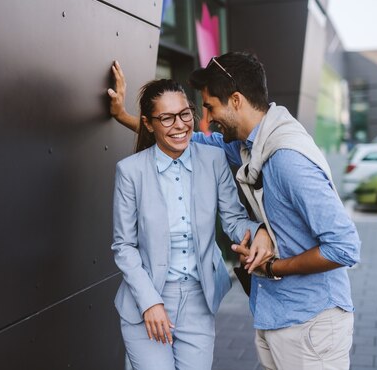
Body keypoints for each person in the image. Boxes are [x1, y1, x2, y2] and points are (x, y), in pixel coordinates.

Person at [108, 53, 361, 370]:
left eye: (210, 107)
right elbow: (178, 137)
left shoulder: (287, 159)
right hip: (278, 314)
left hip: (311, 320)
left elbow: (345, 246)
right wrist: (123, 115)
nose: (208, 117)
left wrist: (274, 266)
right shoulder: (246, 145)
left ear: (237, 100)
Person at [111, 78, 274, 370]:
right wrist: (150, 302)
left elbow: (234, 219)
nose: (180, 125)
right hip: (145, 300)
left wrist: (259, 233)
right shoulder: (130, 171)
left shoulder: (213, 159)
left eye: (185, 113)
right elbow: (124, 246)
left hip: (199, 300)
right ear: (149, 124)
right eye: (167, 118)